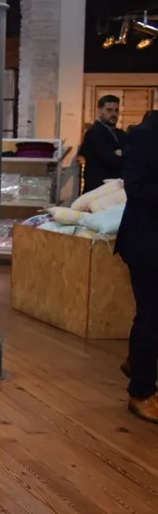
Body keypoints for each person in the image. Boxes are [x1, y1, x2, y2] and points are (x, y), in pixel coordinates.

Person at [115, 111, 158, 423]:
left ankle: (137, 361)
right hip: (148, 243)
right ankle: (141, 392)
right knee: (152, 315)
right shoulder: (145, 134)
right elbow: (137, 188)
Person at [78, 95, 126, 194]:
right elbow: (110, 159)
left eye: (116, 110)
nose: (113, 114)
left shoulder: (119, 133)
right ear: (100, 111)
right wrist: (121, 155)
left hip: (113, 187)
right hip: (99, 188)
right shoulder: (94, 132)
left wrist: (121, 154)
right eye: (109, 110)